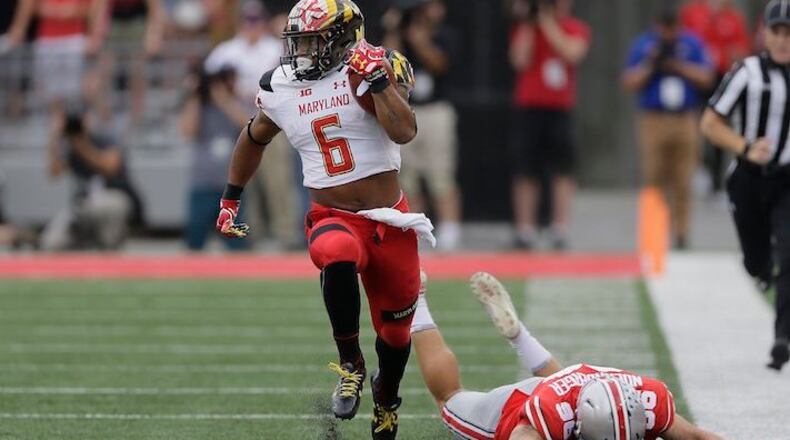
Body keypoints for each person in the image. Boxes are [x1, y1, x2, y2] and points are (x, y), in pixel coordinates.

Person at [214, 1, 424, 438]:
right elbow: (253, 138)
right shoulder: (281, 85)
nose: (301, 52)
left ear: (343, 38)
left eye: (312, 41)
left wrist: (378, 80)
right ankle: (350, 363)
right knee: (334, 251)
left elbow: (404, 131)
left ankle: (386, 398)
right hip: (333, 216)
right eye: (298, 42)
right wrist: (231, 197)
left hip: (389, 221)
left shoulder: (373, 66)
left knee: (397, 335)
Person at [410, 271, 725, 440]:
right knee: (448, 398)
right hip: (518, 405)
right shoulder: (545, 418)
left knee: (560, 389)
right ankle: (416, 298)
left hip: (567, 384)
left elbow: (697, 437)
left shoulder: (650, 399)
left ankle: (519, 334)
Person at [701, 0, 790, 371]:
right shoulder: (747, 72)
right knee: (757, 262)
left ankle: (782, 338)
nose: (784, 40)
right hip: (749, 180)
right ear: (764, 32)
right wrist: (745, 147)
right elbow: (710, 123)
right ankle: (759, 268)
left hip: (787, 179)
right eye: (777, 31)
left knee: (789, 258)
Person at [205, 0, 301, 250]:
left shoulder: (272, 47)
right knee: (245, 182)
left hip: (272, 118)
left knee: (278, 180)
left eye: (256, 21)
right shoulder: (227, 51)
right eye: (248, 21)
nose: (252, 27)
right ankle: (250, 235)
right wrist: (234, 111)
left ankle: (286, 234)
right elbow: (211, 86)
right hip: (235, 122)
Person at [622, 8, 714, 250]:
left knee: (683, 178)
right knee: (653, 177)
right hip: (653, 119)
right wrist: (652, 64)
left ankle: (681, 234)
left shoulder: (691, 44)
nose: (668, 34)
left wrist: (679, 66)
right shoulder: (644, 45)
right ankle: (653, 234)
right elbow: (629, 81)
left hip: (685, 118)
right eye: (663, 28)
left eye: (672, 28)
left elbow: (708, 76)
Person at [508, 0, 591, 251]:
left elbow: (571, 52)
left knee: (562, 169)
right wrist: (529, 23)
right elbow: (519, 60)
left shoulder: (575, 27)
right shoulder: (526, 28)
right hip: (530, 107)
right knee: (526, 169)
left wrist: (547, 21)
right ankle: (525, 229)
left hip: (560, 108)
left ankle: (559, 228)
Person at [383, 0, 462, 251]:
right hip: (406, 111)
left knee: (441, 173)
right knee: (408, 177)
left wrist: (420, 40)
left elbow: (439, 64)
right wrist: (395, 30)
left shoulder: (446, 35)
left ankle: (450, 228)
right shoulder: (401, 36)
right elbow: (386, 67)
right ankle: (416, 228)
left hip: (436, 110)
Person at [41, 104, 143, 250]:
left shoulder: (104, 139)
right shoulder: (69, 148)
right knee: (52, 241)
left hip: (115, 196)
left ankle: (108, 249)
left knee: (108, 206)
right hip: (84, 203)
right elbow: (53, 173)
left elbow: (110, 167)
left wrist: (82, 144)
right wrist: (54, 137)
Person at [680, 0, 751, 195]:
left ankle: (715, 181)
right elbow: (682, 42)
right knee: (694, 126)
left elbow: (741, 50)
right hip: (697, 79)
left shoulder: (733, 18)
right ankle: (697, 168)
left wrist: (734, 56)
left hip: (722, 79)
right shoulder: (693, 12)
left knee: (718, 126)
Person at [180, 63, 250, 251]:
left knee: (238, 244)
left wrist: (223, 98)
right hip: (202, 183)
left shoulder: (233, 103)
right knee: (194, 243)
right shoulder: (198, 107)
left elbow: (248, 126)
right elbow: (187, 131)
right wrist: (195, 95)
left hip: (231, 188)